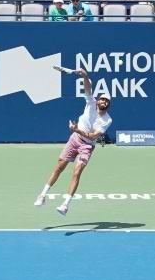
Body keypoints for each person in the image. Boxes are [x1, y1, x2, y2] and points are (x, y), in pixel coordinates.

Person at [32, 69, 112, 215]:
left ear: (108, 105)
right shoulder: (91, 102)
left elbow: (94, 136)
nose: (103, 101)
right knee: (59, 167)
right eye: (102, 99)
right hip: (74, 140)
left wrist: (77, 129)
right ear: (98, 100)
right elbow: (88, 87)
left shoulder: (107, 120)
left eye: (106, 101)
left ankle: (65, 205)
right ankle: (42, 196)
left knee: (76, 173)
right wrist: (85, 75)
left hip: (87, 146)